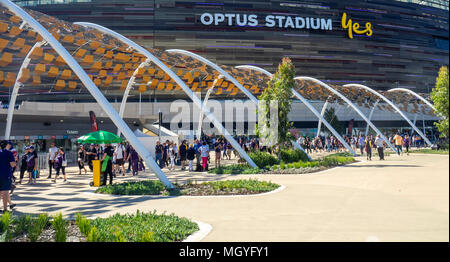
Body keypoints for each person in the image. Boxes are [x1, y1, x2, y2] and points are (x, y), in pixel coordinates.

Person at [0, 140, 17, 213]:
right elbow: (12, 164)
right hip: (6, 175)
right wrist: (15, 161)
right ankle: (5, 209)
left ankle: (9, 205)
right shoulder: (9, 153)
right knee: (5, 192)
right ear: (6, 145)